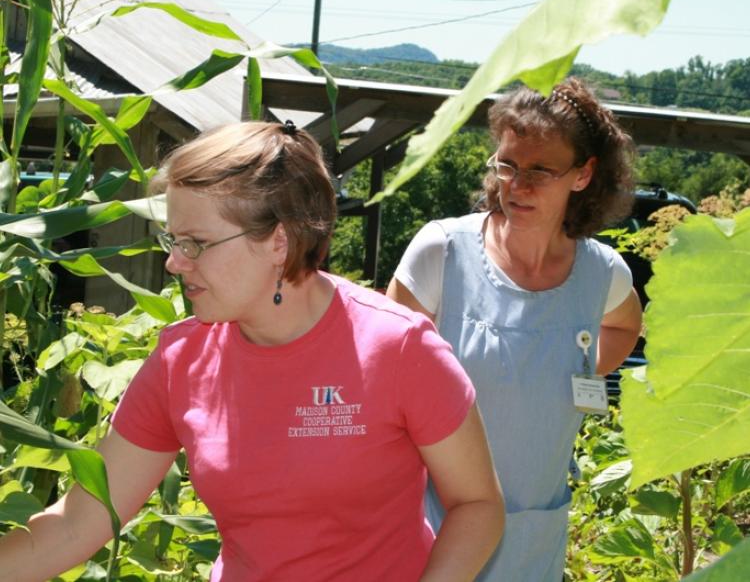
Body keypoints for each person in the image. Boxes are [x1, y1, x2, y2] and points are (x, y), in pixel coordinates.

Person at [0, 121, 504, 582]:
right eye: (172, 240)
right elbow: (76, 525)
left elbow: (477, 506)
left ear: (278, 242)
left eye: (196, 243)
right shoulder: (181, 361)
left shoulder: (398, 348)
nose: (175, 263)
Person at [387, 78, 643, 582]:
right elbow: (381, 378)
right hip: (430, 528)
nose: (517, 185)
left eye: (540, 170)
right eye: (508, 165)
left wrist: (571, 372)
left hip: (535, 538)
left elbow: (625, 325)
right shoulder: (443, 252)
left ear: (583, 175)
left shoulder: (601, 273)